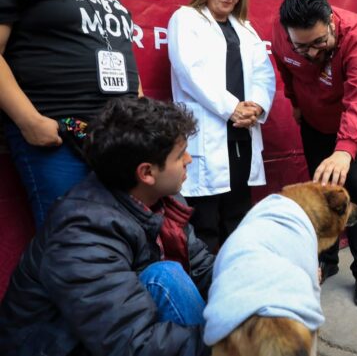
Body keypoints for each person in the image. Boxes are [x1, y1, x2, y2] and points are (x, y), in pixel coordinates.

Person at [0, 97, 215, 356]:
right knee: (166, 276)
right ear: (146, 173)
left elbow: (202, 269)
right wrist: (229, 342)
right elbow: (131, 344)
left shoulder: (163, 199)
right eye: (180, 155)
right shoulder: (82, 232)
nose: (189, 160)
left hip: (116, 338)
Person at [0, 0, 140, 228]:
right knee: (73, 236)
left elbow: (124, 55)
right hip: (58, 136)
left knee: (127, 233)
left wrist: (140, 119)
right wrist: (30, 121)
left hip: (118, 138)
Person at [271, 0, 357, 306]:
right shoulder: (282, 33)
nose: (310, 53)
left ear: (332, 23)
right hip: (315, 123)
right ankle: (326, 259)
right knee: (321, 193)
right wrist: (295, 102)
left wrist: (345, 149)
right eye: (301, 46)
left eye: (319, 42)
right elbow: (286, 70)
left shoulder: (356, 34)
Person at [167, 0, 275, 251]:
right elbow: (190, 71)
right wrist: (232, 108)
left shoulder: (246, 29)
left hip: (242, 134)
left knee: (238, 216)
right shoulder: (186, 19)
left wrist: (256, 107)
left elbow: (264, 74)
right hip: (208, 134)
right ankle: (206, 280)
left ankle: (237, 274)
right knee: (205, 224)